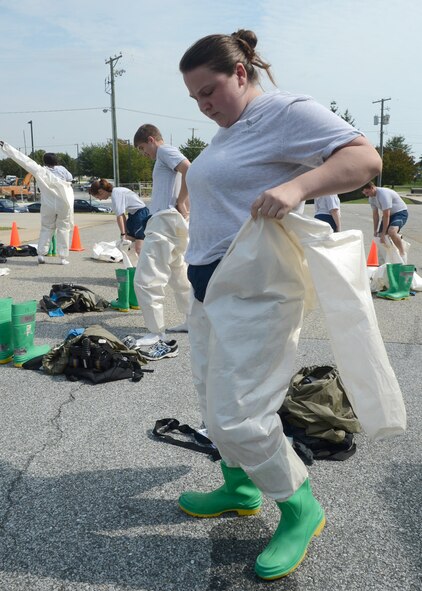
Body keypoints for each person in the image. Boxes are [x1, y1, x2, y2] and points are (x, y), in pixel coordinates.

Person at [176, 30, 382, 580]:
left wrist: (298, 188)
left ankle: (300, 508)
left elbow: (365, 159)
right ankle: (239, 488)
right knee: (210, 398)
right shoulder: (224, 133)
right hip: (210, 288)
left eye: (210, 90)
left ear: (241, 72)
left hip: (257, 289)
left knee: (240, 412)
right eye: (195, 97)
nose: (204, 104)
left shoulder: (285, 112)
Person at [125, 123, 191, 353]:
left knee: (146, 279)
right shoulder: (165, 156)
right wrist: (184, 207)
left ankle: (155, 332)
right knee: (179, 275)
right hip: (172, 221)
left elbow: (189, 170)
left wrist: (181, 202)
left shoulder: (164, 151)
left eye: (143, 148)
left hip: (164, 222)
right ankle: (193, 320)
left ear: (152, 140)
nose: (144, 154)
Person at [0, 144, 74, 265]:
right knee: (64, 229)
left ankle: (41, 254)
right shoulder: (63, 170)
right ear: (56, 161)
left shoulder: (40, 170)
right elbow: (70, 179)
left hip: (48, 203)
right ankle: (63, 257)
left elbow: (23, 160)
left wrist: (5, 147)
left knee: (46, 228)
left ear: (44, 161)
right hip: (64, 202)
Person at [89, 179, 150, 255]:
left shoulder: (116, 194)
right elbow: (122, 216)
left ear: (101, 191)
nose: (100, 199)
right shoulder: (116, 192)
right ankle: (135, 265)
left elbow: (120, 216)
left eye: (98, 197)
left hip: (141, 214)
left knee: (139, 248)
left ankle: (148, 264)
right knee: (128, 243)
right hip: (133, 214)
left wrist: (123, 234)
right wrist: (124, 235)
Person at [362, 181, 408, 256]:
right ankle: (390, 256)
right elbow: (375, 215)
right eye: (365, 194)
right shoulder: (371, 198)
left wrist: (384, 233)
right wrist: (375, 230)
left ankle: (402, 254)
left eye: (367, 192)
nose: (367, 195)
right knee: (380, 237)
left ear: (372, 188)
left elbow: (386, 215)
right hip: (389, 214)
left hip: (400, 213)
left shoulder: (383, 194)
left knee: (391, 232)